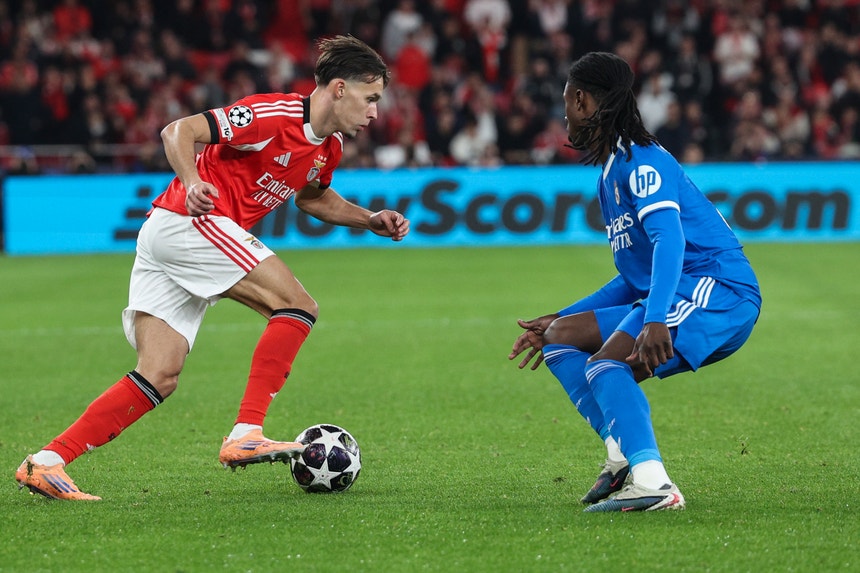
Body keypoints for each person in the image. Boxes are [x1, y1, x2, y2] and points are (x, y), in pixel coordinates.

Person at [16, 35, 410, 501]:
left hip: (171, 237)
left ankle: (47, 461)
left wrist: (368, 220)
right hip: (190, 221)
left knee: (160, 373)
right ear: (340, 89)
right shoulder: (271, 115)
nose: (375, 113)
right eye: (371, 99)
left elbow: (313, 197)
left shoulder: (329, 148)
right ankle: (247, 430)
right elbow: (177, 131)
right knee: (297, 306)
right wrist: (192, 179)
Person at [508, 52, 761, 512]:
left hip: (716, 289)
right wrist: (561, 316)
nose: (564, 112)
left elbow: (671, 240)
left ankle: (654, 483)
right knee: (559, 341)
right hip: (677, 288)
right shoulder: (611, 173)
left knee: (606, 365)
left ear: (582, 100)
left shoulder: (641, 161)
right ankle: (622, 455)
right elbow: (633, 278)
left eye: (567, 101)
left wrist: (657, 319)